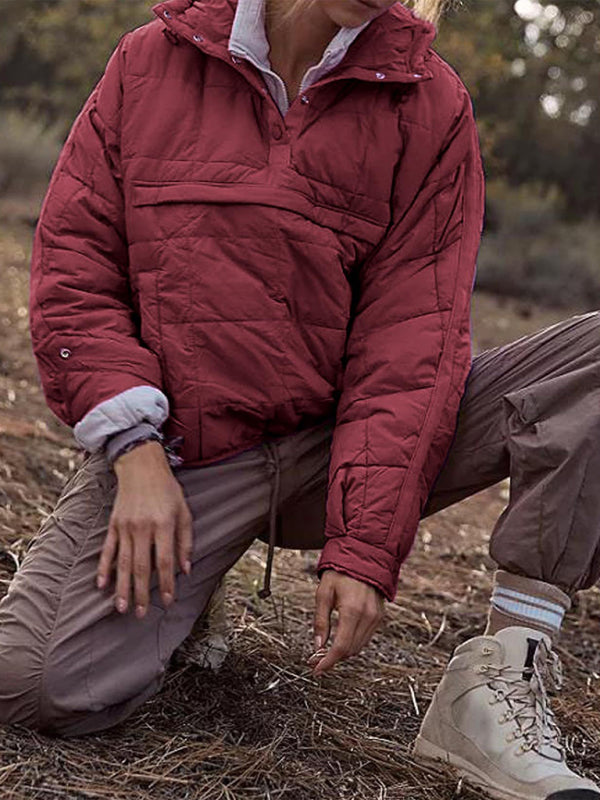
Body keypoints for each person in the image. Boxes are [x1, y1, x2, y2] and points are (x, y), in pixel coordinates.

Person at [1, 0, 598, 796]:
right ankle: (192, 594)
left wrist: (362, 547)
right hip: (185, 451)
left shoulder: (430, 104)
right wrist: (136, 455)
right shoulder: (151, 60)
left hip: (339, 445)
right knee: (31, 685)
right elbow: (76, 273)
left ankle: (500, 676)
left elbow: (408, 347)